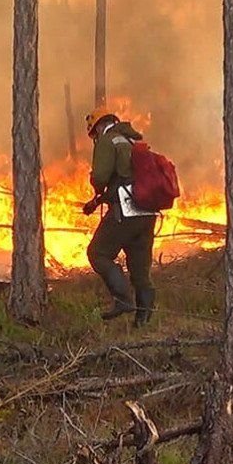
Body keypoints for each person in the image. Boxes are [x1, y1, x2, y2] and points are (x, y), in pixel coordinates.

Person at [81, 112, 158, 326]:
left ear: (97, 128)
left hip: (126, 210)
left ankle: (123, 299)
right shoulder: (133, 141)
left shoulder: (107, 140)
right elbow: (127, 178)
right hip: (147, 212)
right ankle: (143, 322)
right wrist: (96, 202)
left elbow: (101, 177)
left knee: (98, 252)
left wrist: (96, 185)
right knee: (140, 269)